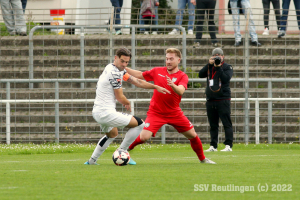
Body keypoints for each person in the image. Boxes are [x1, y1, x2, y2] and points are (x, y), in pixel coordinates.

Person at [126, 48, 216, 164]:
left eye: (171, 59)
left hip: (174, 112)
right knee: (144, 137)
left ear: (179, 60)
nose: (168, 61)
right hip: (156, 112)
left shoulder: (182, 76)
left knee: (193, 135)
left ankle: (203, 159)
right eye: (167, 59)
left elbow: (180, 91)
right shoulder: (157, 71)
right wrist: (123, 68)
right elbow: (139, 75)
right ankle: (125, 150)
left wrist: (173, 85)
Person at [84, 47, 170, 165]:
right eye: (122, 61)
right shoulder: (114, 72)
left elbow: (136, 81)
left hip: (98, 111)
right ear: (115, 58)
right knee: (140, 124)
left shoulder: (115, 68)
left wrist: (154, 86)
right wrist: (127, 102)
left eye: (127, 62)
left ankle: (91, 161)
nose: (124, 64)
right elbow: (120, 97)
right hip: (105, 112)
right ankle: (122, 151)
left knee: (112, 134)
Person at [198, 48, 233, 152]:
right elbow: (200, 74)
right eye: (215, 55)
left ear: (223, 56)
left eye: (219, 55)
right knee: (213, 125)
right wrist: (208, 64)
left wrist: (218, 68)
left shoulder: (227, 67)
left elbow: (226, 78)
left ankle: (228, 145)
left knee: (226, 123)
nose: (217, 57)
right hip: (211, 99)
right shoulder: (210, 67)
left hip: (223, 99)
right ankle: (213, 145)